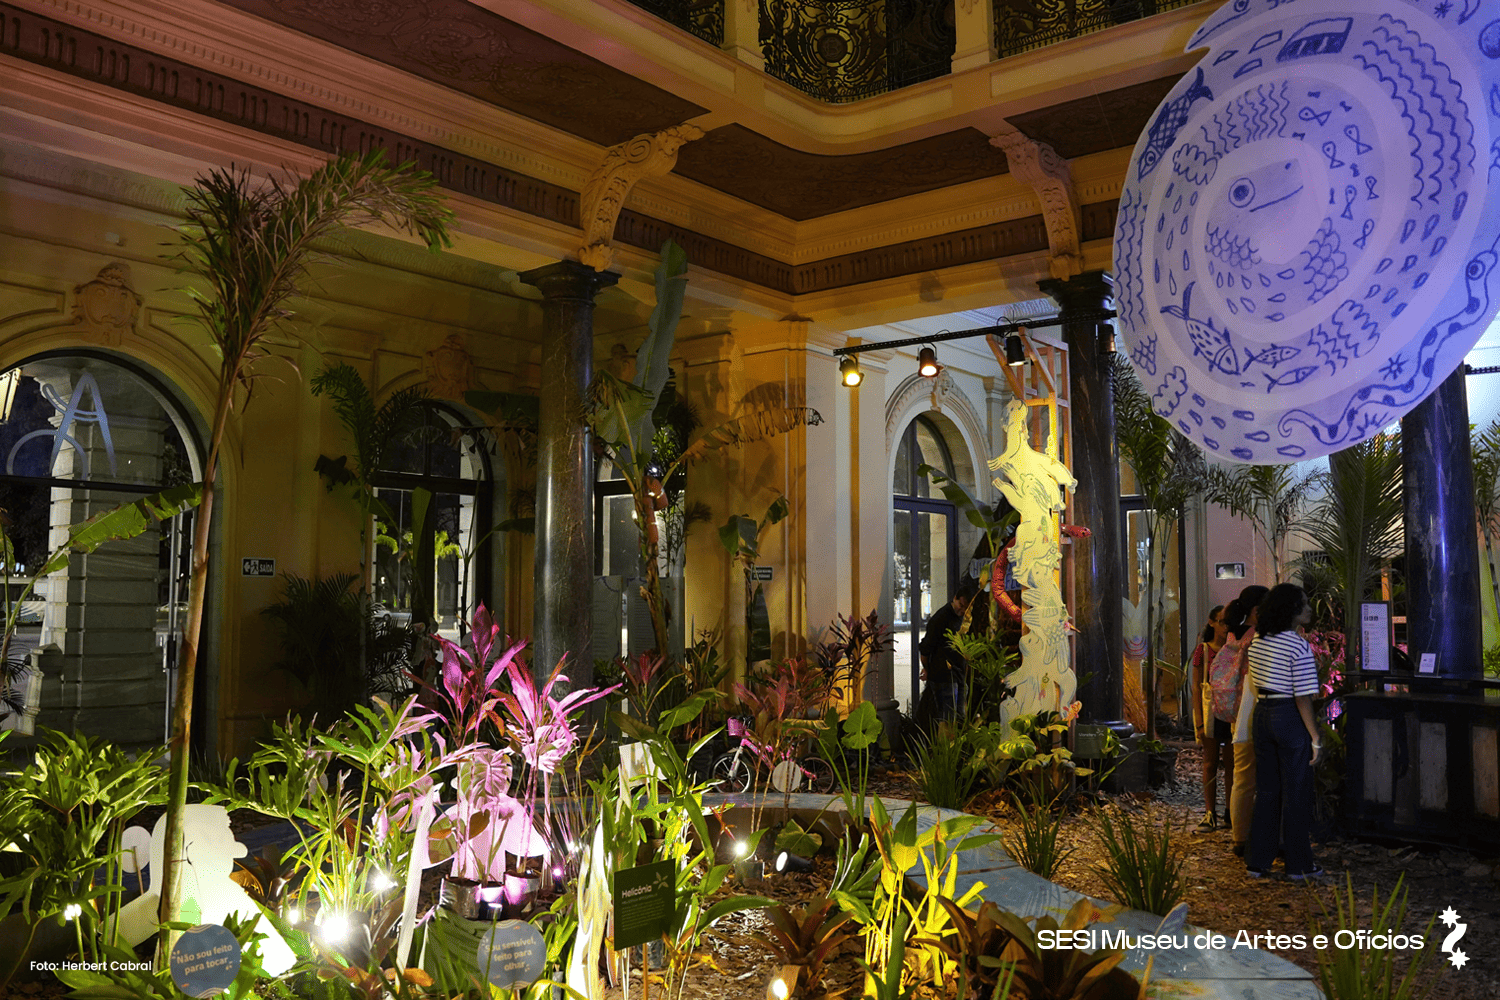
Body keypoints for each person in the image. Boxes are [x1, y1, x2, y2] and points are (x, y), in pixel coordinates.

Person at [1244, 583, 1323, 879]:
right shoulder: (1297, 645)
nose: (1309, 609)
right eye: (1304, 604)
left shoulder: (1259, 641)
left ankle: (1258, 860)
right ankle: (1299, 864)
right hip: (1288, 715)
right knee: (1297, 791)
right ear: (1291, 610)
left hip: (1262, 713)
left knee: (1267, 790)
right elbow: (1303, 696)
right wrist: (1315, 737)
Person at [1212, 584, 1269, 854]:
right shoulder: (1258, 636)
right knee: (1257, 777)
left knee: (1241, 777)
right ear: (1258, 609)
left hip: (1237, 709)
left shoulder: (1233, 633)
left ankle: (1239, 836)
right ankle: (1252, 835)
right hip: (1256, 708)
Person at [1191, 605, 1230, 831]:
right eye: (1221, 622)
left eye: (1228, 622)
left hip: (1229, 709)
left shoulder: (1235, 648)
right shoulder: (1203, 650)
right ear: (1212, 623)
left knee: (1232, 763)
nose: (1225, 627)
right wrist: (1198, 721)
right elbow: (1196, 687)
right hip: (1210, 710)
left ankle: (1229, 811)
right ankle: (1209, 811)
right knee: (1210, 762)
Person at [919, 579, 978, 721]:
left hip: (959, 675)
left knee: (959, 718)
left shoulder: (965, 619)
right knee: (948, 718)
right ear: (954, 599)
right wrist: (926, 668)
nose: (962, 610)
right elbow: (926, 647)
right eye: (960, 605)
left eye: (966, 608)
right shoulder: (940, 618)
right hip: (943, 675)